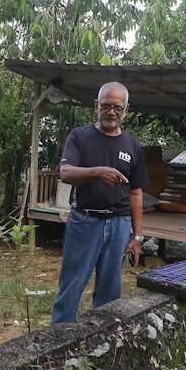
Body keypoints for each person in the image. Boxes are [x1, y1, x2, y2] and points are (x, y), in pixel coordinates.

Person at [51, 82, 147, 324]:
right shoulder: (80, 137)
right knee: (72, 283)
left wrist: (137, 237)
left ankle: (102, 339)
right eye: (106, 106)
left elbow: (136, 193)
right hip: (85, 221)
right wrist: (98, 172)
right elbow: (65, 172)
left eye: (117, 107)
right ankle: (59, 337)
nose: (111, 112)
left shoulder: (132, 145)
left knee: (110, 289)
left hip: (119, 225)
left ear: (126, 110)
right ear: (96, 106)